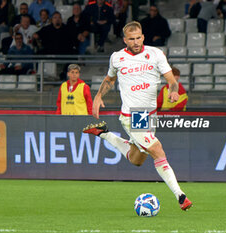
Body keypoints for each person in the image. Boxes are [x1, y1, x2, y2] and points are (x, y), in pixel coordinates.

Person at [82, 21, 193, 211]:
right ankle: (181, 196)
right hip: (133, 114)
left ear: (143, 37)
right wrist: (99, 96)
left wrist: (173, 91)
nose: (135, 42)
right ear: (125, 40)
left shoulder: (156, 54)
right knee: (157, 149)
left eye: (138, 38)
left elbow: (171, 80)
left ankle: (104, 134)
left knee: (137, 159)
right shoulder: (117, 58)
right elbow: (109, 80)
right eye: (131, 39)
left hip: (150, 115)